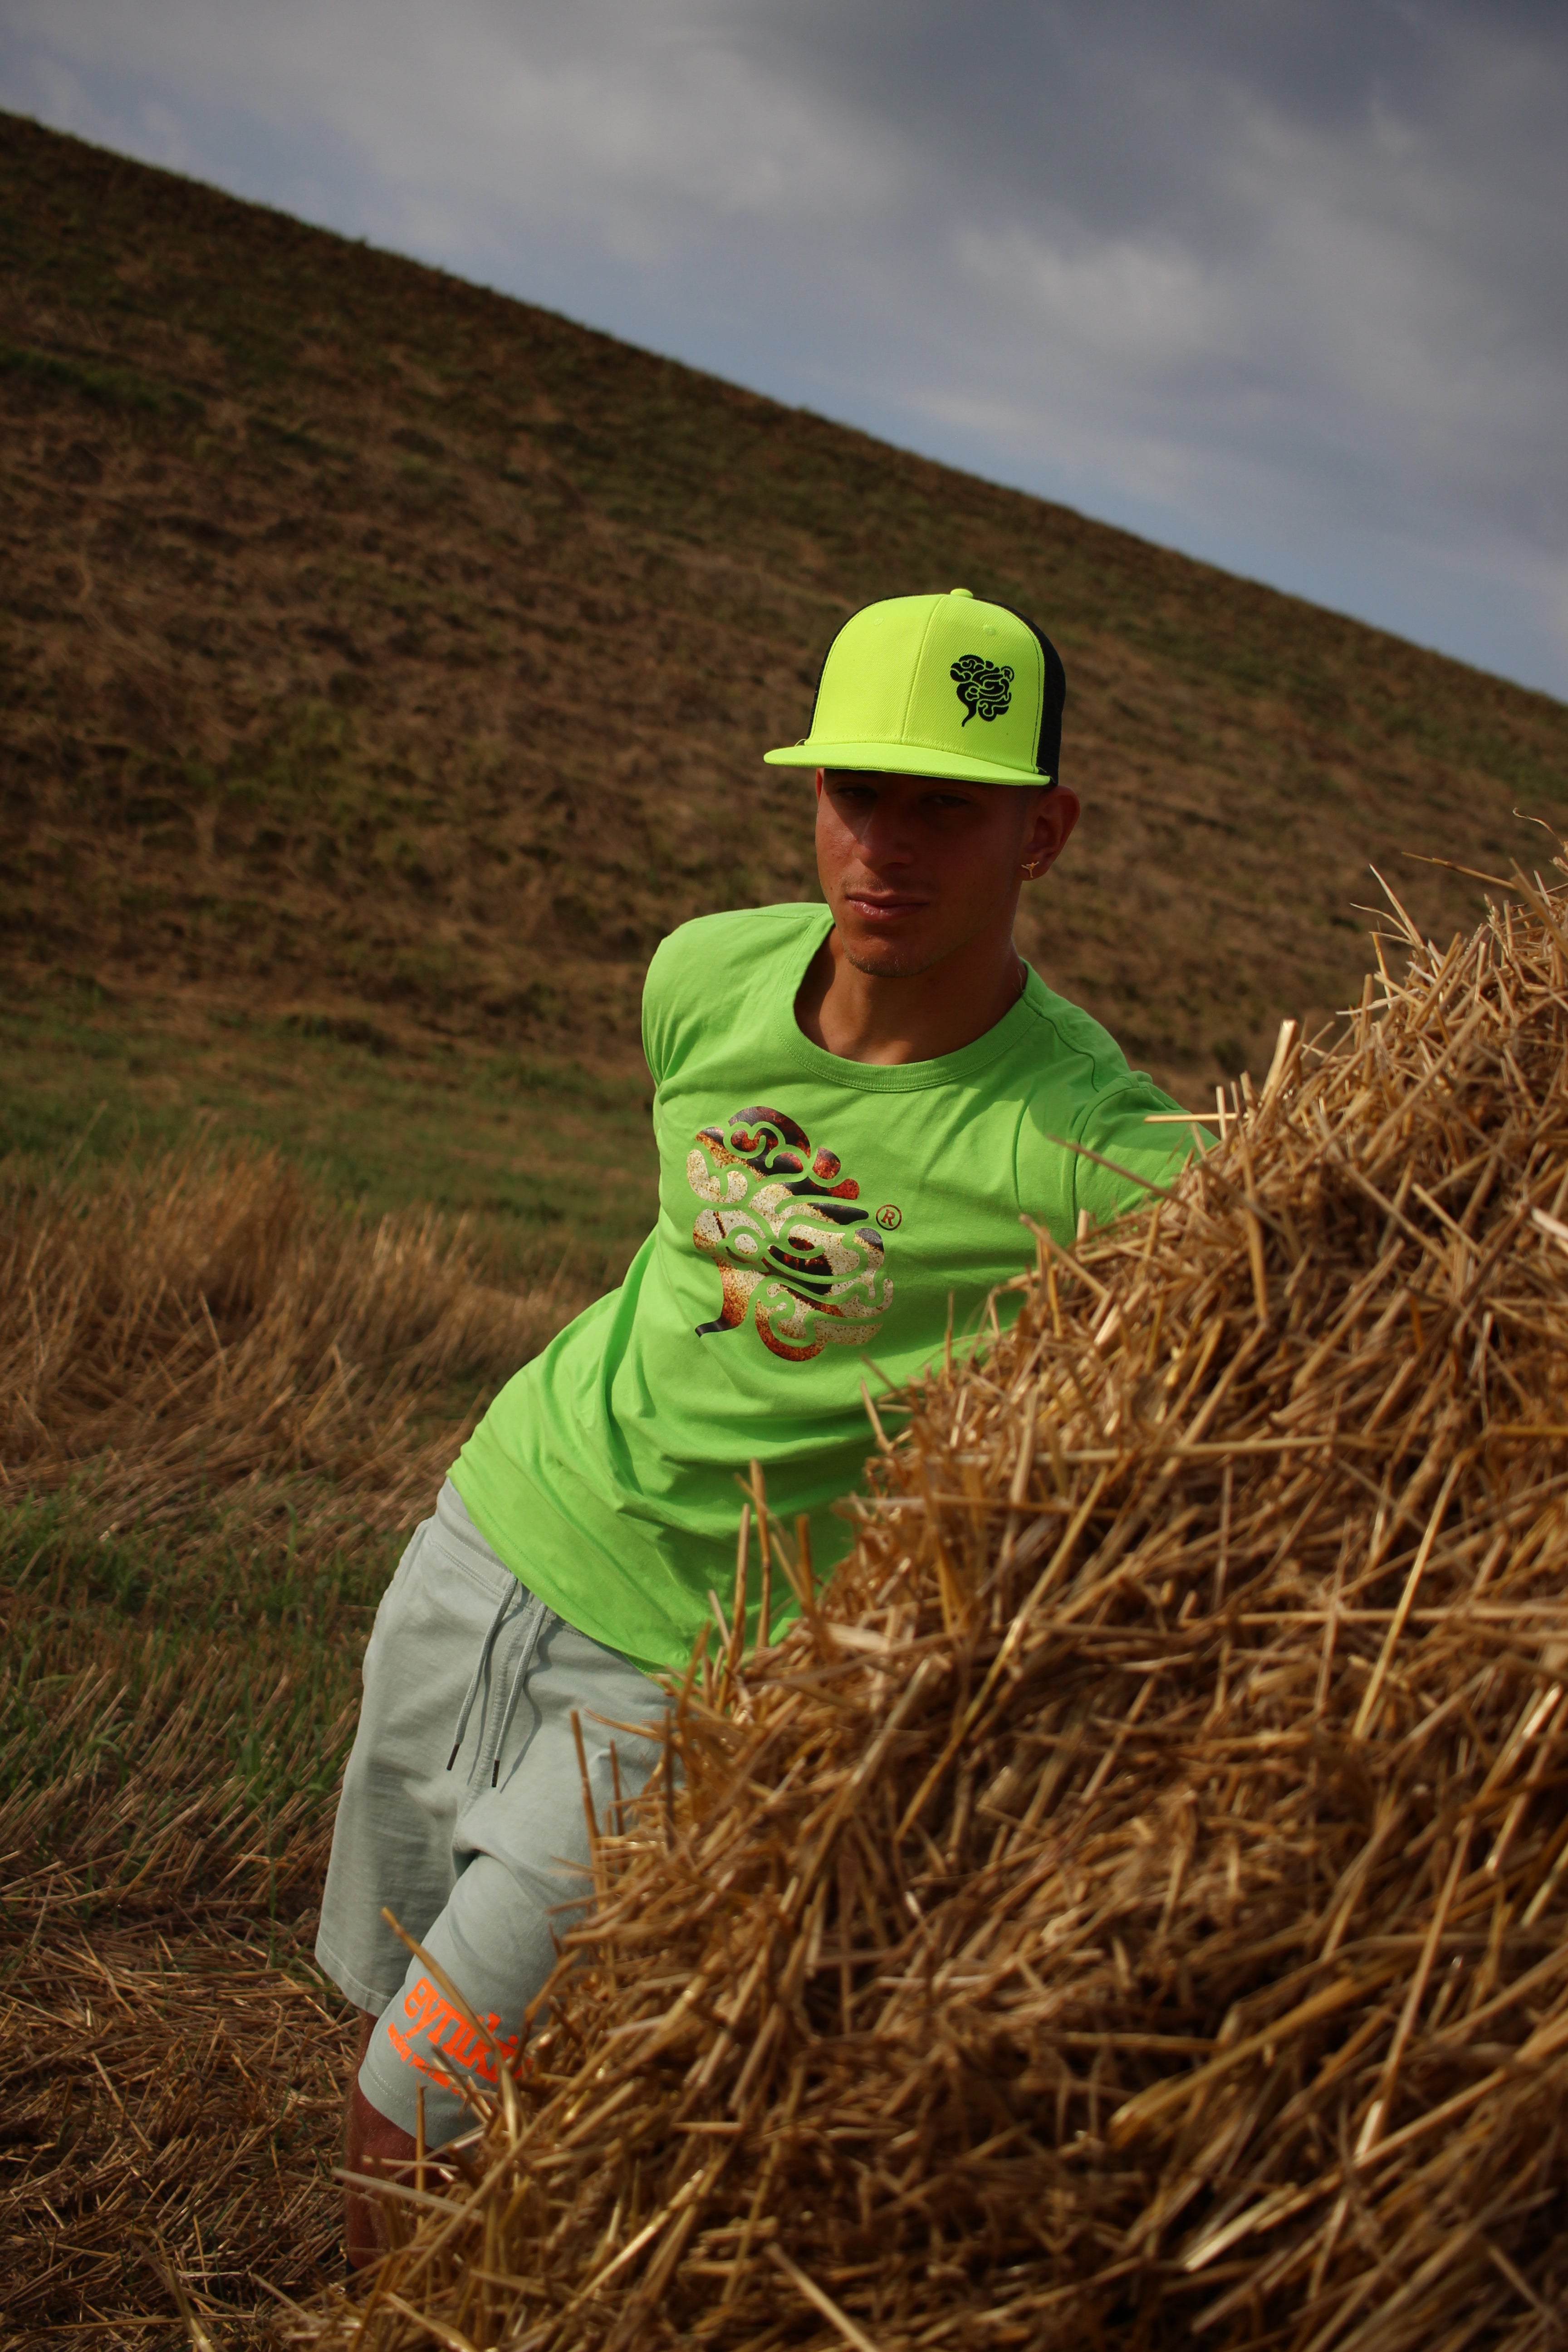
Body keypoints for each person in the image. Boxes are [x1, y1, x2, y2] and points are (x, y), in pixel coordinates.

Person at [316, 587, 1200, 2264]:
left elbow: (1351, 1243)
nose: (886, 846)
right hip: (492, 1538)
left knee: (423, 2102)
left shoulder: (1098, 1152)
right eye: (852, 793)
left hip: (684, 1679)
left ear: (1047, 834)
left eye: (946, 805)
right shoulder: (701, 978)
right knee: (378, 1990)